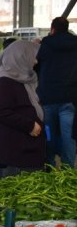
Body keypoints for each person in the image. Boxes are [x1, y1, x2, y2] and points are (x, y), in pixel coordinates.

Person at [0, 40, 46, 179]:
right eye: (32, 57)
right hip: (13, 157)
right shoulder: (4, 81)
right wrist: (30, 125)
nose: (35, 62)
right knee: (13, 198)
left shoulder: (17, 77)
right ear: (21, 57)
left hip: (20, 152)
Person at [36, 16, 77, 168]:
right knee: (69, 137)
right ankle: (68, 173)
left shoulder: (45, 44)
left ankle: (50, 167)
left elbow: (36, 67)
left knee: (48, 135)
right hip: (70, 97)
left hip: (48, 96)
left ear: (52, 29)